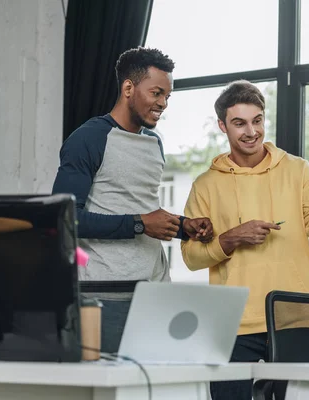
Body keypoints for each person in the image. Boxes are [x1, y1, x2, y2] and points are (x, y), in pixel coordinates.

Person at [181, 80, 309, 399]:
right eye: (239, 123)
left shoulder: (298, 170)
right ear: (222, 126)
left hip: (292, 317)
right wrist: (230, 239)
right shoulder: (205, 185)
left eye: (257, 120)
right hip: (231, 320)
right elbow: (191, 257)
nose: (251, 131)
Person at [52, 47, 213, 354]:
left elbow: (140, 209)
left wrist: (183, 226)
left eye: (167, 96)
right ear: (128, 88)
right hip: (104, 298)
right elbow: (66, 217)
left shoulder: (155, 143)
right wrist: (140, 224)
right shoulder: (88, 139)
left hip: (155, 293)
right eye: (156, 93)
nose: (163, 103)